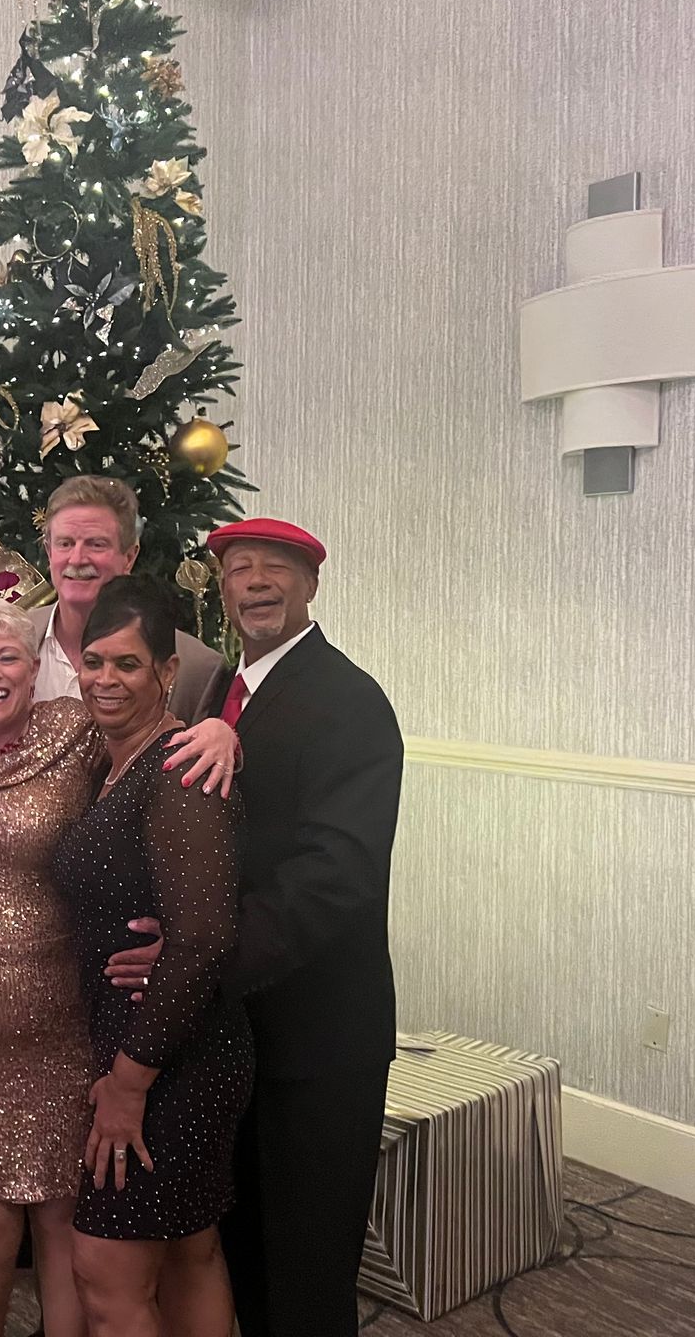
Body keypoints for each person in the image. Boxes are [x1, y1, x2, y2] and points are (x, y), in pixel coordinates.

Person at [0, 593, 242, 1337]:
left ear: (36, 670)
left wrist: (222, 728)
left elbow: (172, 745)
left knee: (94, 1246)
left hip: (74, 1031)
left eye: (9, 657)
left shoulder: (82, 731)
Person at [108, 520, 403, 1337]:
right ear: (224, 588)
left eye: (280, 569)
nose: (259, 583)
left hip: (316, 1044)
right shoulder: (217, 697)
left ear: (312, 586)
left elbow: (333, 878)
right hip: (234, 1038)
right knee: (244, 1257)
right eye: (242, 569)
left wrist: (197, 964)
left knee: (307, 1269)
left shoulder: (349, 701)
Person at [51, 576, 251, 1337]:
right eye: (94, 661)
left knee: (106, 1275)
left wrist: (131, 1082)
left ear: (168, 672)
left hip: (170, 1059)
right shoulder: (113, 762)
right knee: (189, 1254)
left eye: (128, 665)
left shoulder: (179, 768)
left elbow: (201, 938)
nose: (106, 679)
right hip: (157, 1046)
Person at [31, 476, 223, 722]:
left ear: (129, 557)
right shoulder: (10, 640)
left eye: (96, 544)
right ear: (49, 552)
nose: (77, 559)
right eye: (65, 544)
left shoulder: (196, 667)